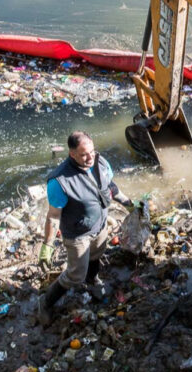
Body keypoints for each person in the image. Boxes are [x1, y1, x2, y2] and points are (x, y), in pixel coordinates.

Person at [37, 130, 132, 326]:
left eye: (91, 151)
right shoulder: (60, 181)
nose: (90, 158)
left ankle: (93, 280)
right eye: (83, 154)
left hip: (100, 224)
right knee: (74, 275)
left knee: (97, 254)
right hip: (77, 234)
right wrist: (47, 245)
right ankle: (45, 303)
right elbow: (54, 216)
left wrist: (129, 203)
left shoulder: (101, 162)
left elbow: (110, 186)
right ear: (71, 154)